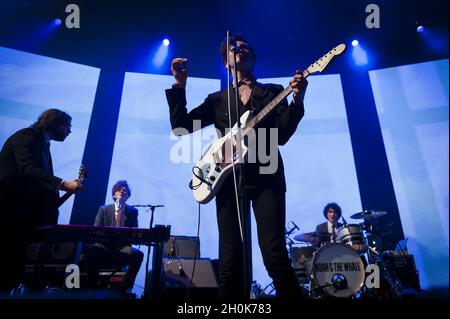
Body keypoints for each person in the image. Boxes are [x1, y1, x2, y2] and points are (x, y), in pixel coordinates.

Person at [165, 34, 308, 299]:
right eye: (234, 48)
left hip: (267, 175)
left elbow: (282, 136)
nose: (239, 50)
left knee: (274, 253)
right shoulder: (218, 99)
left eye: (245, 48)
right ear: (226, 62)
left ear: (253, 58)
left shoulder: (274, 92)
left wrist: (297, 101)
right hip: (227, 179)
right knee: (230, 258)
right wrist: (179, 84)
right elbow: (182, 126)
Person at [0, 108, 82, 292]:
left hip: (20, 216)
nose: (69, 131)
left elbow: (41, 183)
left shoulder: (43, 143)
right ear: (55, 123)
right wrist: (63, 184)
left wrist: (67, 189)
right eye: (67, 126)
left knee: (14, 266)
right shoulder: (27, 136)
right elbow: (28, 170)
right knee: (7, 264)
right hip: (9, 212)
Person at [84, 180, 144, 293]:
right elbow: (96, 229)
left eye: (125, 190)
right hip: (104, 247)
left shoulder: (133, 212)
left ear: (128, 196)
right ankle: (91, 287)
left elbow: (135, 233)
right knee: (90, 250)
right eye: (119, 189)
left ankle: (126, 287)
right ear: (113, 194)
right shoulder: (104, 209)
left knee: (138, 255)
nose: (122, 191)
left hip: (123, 248)